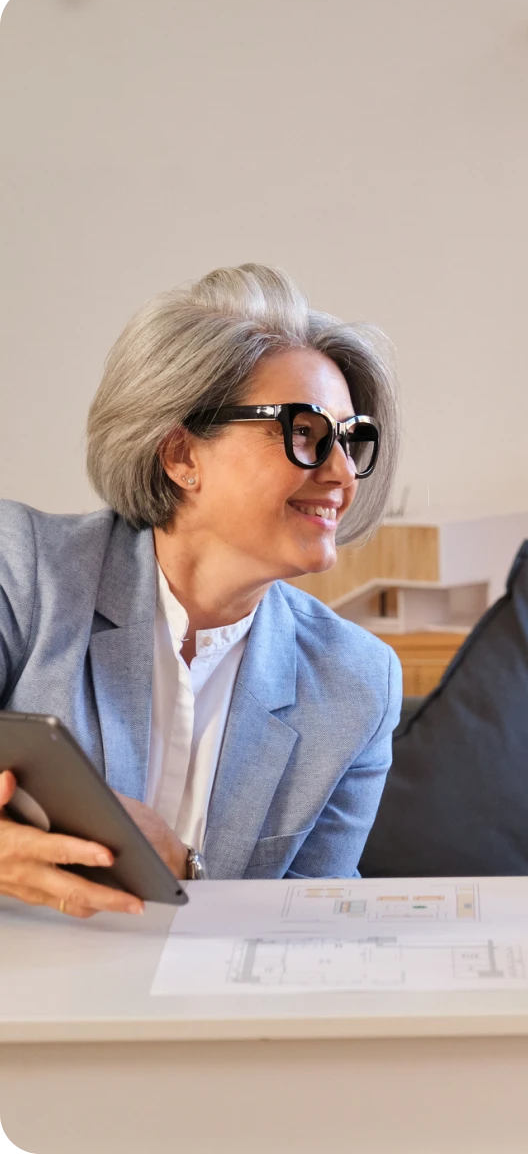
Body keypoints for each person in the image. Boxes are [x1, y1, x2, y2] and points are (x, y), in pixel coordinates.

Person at [0, 263, 403, 917]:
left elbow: (313, 923)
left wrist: (186, 870)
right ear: (181, 455)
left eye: (349, 441)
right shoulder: (22, 572)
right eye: (304, 432)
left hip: (212, 1016)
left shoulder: (356, 682)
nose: (340, 474)